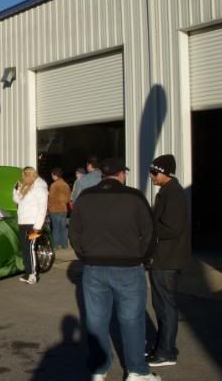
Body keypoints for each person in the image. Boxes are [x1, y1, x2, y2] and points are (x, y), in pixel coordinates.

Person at [69, 157, 158, 381]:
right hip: (128, 266)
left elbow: (74, 233)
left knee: (96, 320)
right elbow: (150, 233)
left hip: (93, 267)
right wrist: (142, 257)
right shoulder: (134, 197)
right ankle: (136, 371)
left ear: (102, 175)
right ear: (121, 174)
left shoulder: (85, 197)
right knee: (131, 319)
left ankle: (99, 369)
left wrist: (85, 255)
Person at [147, 154, 190, 368]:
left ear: (165, 173)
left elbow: (173, 228)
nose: (151, 176)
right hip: (163, 258)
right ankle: (163, 347)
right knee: (161, 304)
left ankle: (166, 352)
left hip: (167, 259)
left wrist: (149, 230)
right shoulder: (167, 192)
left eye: (154, 172)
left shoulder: (173, 194)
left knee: (165, 305)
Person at [12, 166, 48, 285]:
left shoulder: (40, 187)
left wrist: (38, 226)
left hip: (33, 224)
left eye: (25, 176)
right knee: (25, 248)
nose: (23, 178)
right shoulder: (26, 186)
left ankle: (33, 275)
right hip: (23, 222)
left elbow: (42, 207)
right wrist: (16, 190)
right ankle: (28, 273)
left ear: (30, 175)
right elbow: (17, 201)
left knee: (31, 248)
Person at [48, 168, 71, 249]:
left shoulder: (53, 185)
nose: (52, 177)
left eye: (52, 175)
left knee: (55, 228)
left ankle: (56, 245)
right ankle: (64, 245)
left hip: (54, 210)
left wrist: (48, 208)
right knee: (63, 228)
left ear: (55, 175)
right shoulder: (66, 185)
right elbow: (68, 199)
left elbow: (50, 199)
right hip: (63, 209)